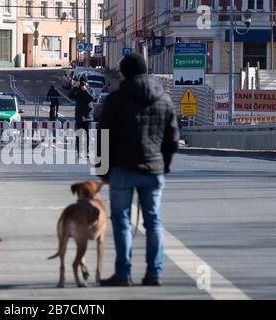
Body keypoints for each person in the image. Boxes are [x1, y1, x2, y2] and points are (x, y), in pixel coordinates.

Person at [99, 53, 179, 287]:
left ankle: (122, 274)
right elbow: (173, 139)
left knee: (122, 221)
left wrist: (103, 169)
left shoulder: (115, 100)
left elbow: (105, 137)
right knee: (153, 221)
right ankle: (154, 273)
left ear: (124, 73)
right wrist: (163, 164)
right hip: (153, 170)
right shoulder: (163, 98)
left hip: (122, 169)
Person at [69, 75, 95, 157]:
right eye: (81, 82)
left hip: (87, 116)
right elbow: (71, 96)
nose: (82, 84)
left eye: (84, 82)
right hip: (79, 115)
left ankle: (86, 152)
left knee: (87, 135)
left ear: (87, 83)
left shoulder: (90, 89)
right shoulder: (77, 90)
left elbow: (92, 98)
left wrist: (85, 90)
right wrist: (75, 88)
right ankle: (79, 152)